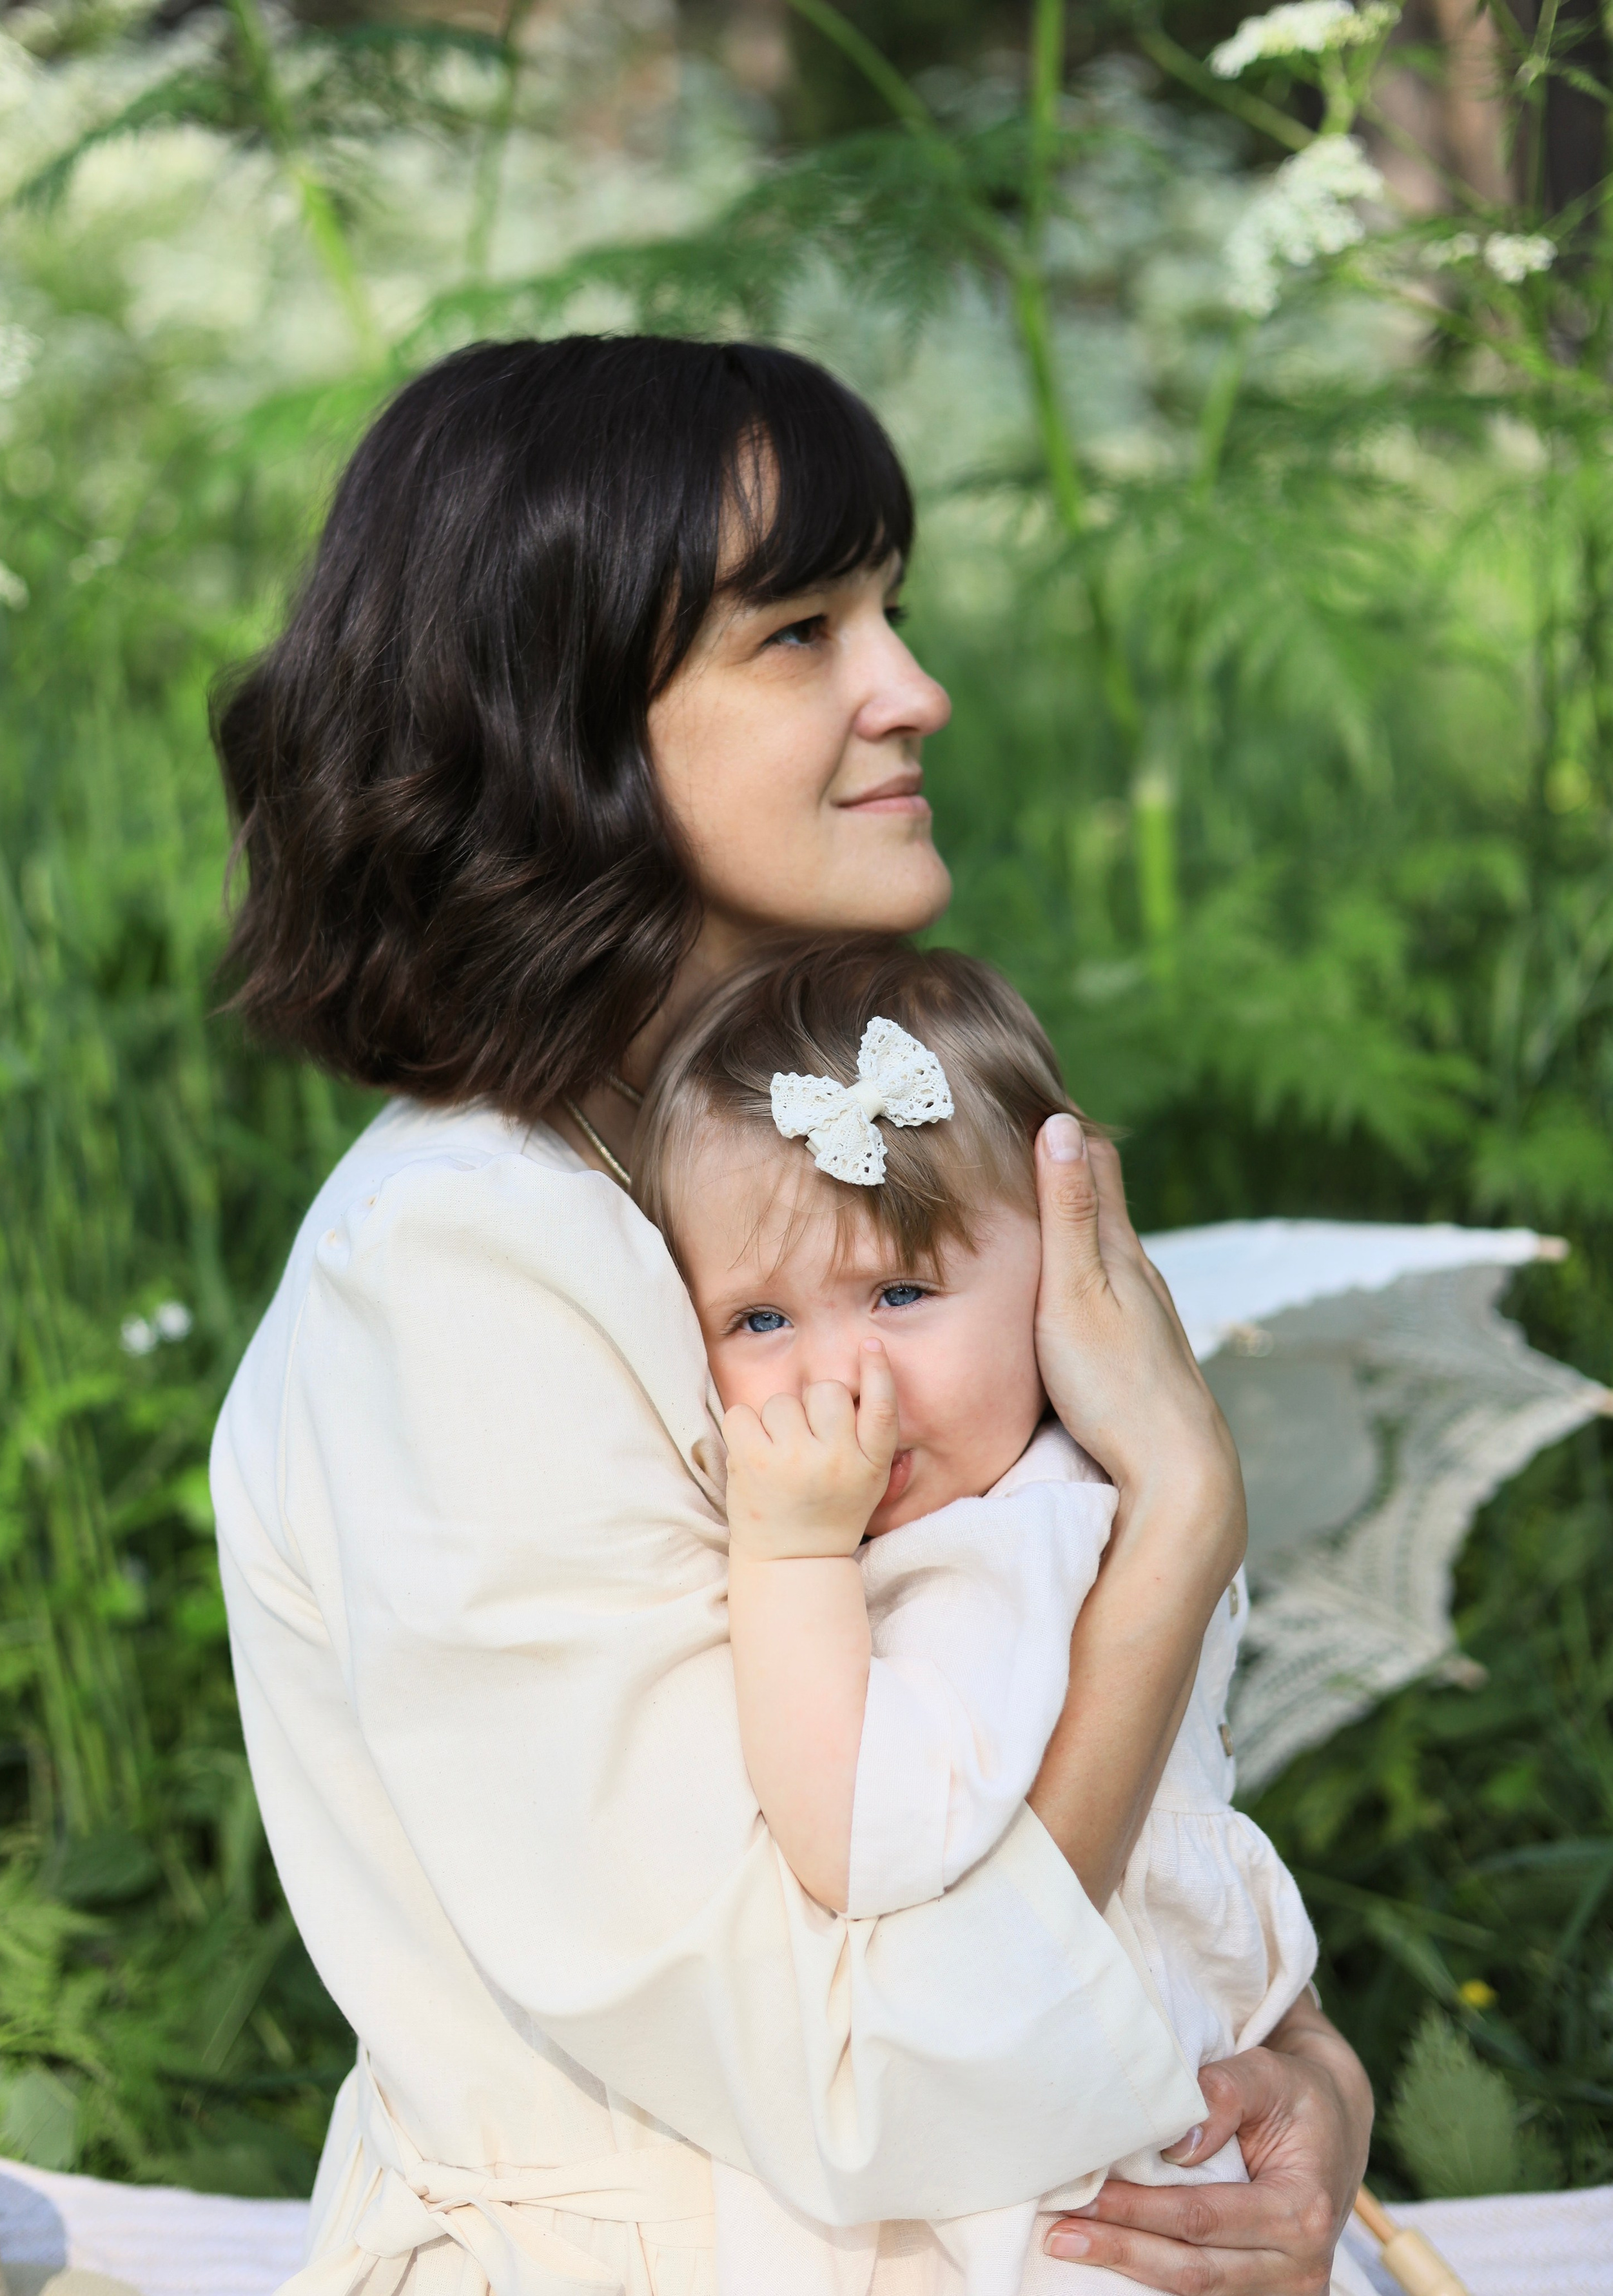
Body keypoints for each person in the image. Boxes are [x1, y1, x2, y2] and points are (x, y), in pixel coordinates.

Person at [210, 333, 1373, 2296]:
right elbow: (846, 2088)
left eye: (892, 613)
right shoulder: (466, 1269)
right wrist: (1176, 1522)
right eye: (800, 633)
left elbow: (1105, 1778)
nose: (912, 689)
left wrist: (1305, 2076)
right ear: (552, 714)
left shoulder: (886, 1147)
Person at [631, 937, 1369, 2294]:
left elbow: (862, 1834)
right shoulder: (1081, 1497)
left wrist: (787, 1547)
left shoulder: (1008, 1553)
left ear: (1057, 1277)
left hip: (1060, 2213)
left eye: (900, 1292)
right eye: (756, 1317)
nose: (840, 1370)